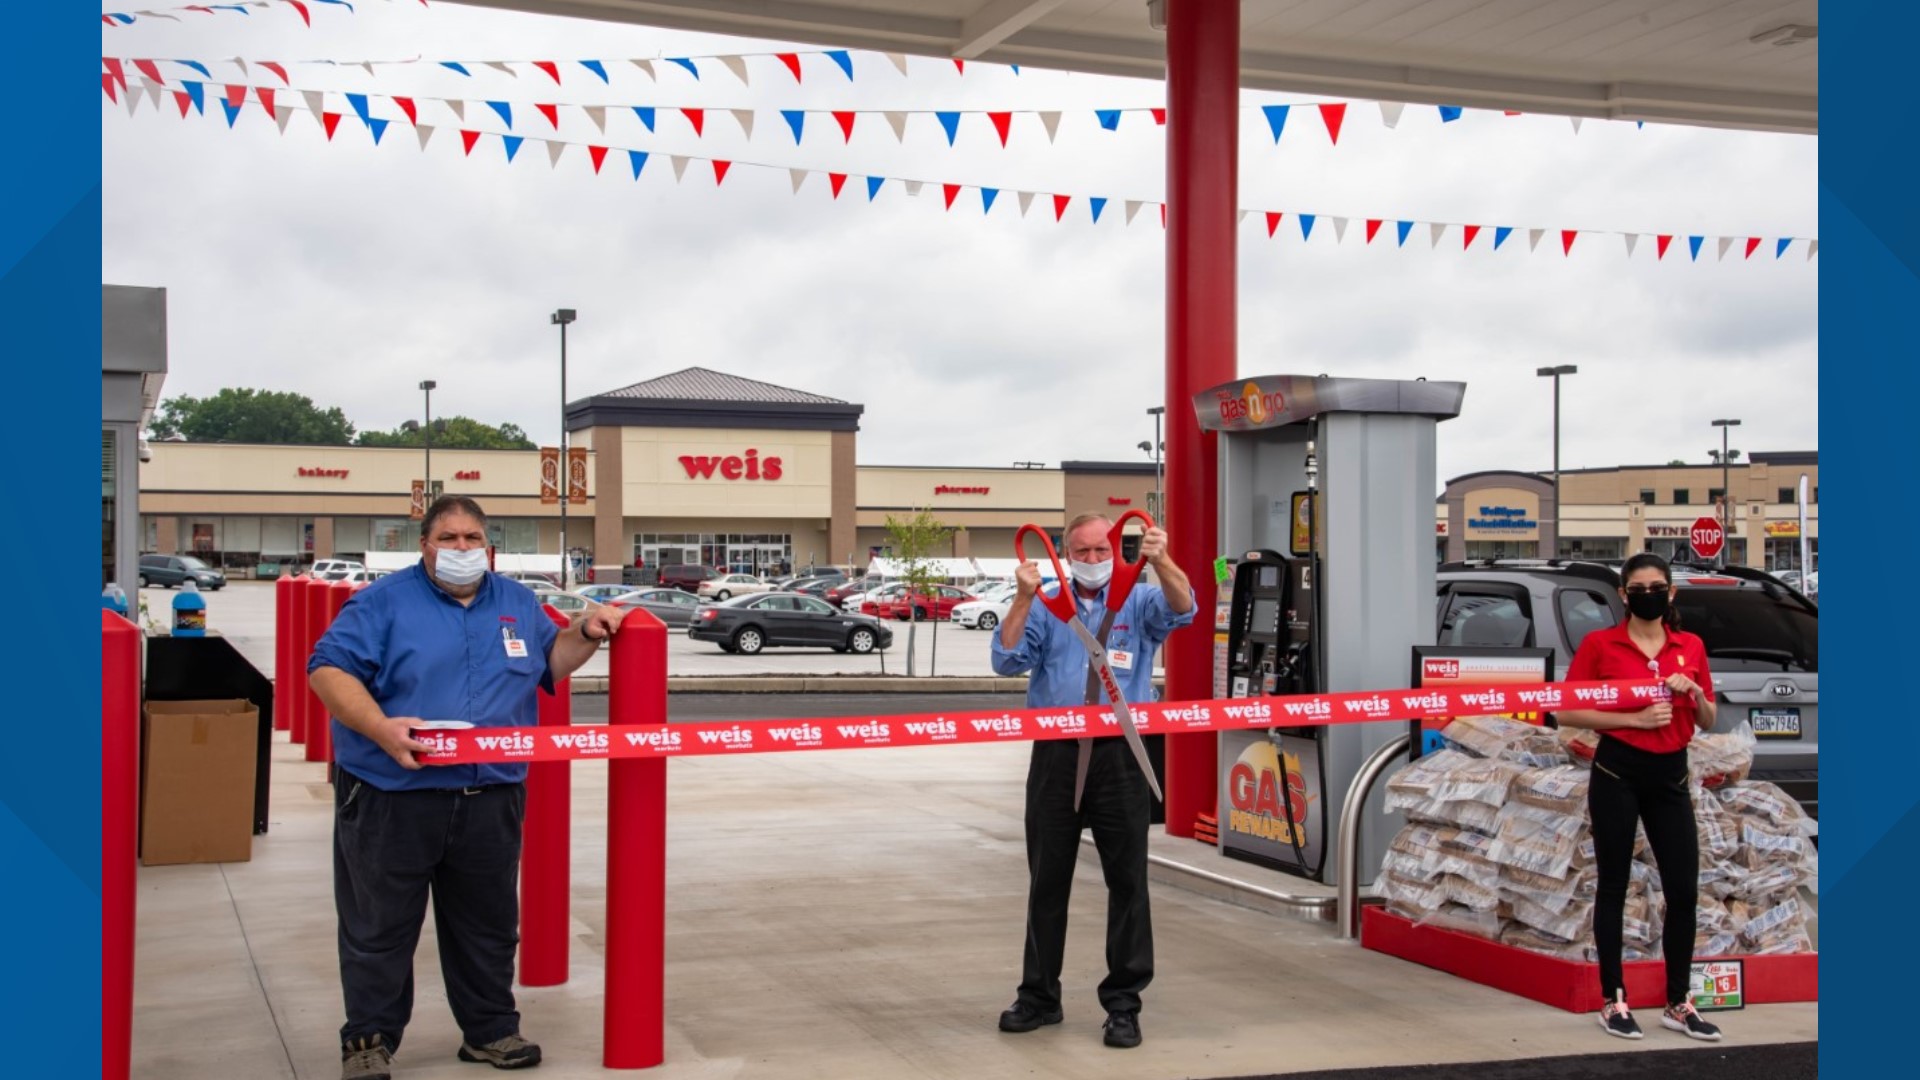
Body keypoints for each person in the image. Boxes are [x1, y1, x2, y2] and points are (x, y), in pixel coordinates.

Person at [309, 496, 624, 1080]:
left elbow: (548, 662)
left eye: (471, 538)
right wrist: (380, 727)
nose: (460, 549)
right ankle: (369, 1041)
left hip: (490, 795)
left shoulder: (516, 602)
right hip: (391, 794)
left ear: (488, 546)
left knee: (488, 924)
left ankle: (490, 1031)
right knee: (378, 926)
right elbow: (328, 671)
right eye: (448, 538)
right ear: (424, 544)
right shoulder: (381, 604)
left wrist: (585, 632)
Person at [989, 513, 1194, 1050]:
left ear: (1117, 547)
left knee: (1128, 883)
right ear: (1065, 553)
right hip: (1056, 756)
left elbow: (1184, 608)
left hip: (1121, 756)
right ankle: (1038, 997)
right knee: (1046, 880)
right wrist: (1022, 597)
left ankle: (1123, 1005)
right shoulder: (1046, 603)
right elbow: (1005, 659)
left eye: (1104, 550)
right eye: (1084, 551)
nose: (1095, 560)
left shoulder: (1138, 596)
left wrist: (1161, 559)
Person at [1555, 551, 1723, 1043]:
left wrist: (1693, 692)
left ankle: (1678, 1001)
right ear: (1624, 596)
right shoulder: (1600, 645)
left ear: (1670, 593)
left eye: (1658, 587)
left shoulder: (1688, 645)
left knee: (1684, 890)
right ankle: (1615, 999)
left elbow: (1710, 719)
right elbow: (1569, 712)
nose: (1649, 594)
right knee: (1614, 885)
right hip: (1617, 771)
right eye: (1639, 588)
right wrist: (1633, 720)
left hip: (1671, 777)